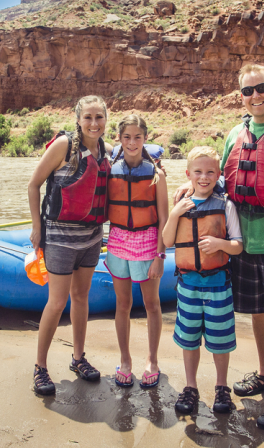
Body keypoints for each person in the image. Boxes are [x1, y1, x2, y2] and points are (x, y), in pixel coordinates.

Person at [174, 64, 264, 430]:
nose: (255, 96)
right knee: (257, 312)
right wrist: (185, 191)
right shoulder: (234, 134)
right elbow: (217, 183)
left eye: (262, 88)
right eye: (247, 91)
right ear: (240, 95)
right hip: (243, 245)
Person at [28, 95, 113, 395]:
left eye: (99, 117)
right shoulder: (63, 146)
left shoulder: (107, 151)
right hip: (60, 239)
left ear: (106, 119)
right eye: (88, 117)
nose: (93, 123)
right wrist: (37, 227)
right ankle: (40, 367)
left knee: (81, 297)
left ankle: (78, 358)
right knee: (57, 301)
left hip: (91, 238)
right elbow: (33, 184)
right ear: (78, 119)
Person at [163, 146, 243, 414]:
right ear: (188, 174)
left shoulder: (225, 205)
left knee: (220, 341)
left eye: (210, 172)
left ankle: (222, 387)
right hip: (188, 286)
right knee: (189, 339)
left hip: (218, 285)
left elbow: (238, 246)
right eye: (198, 172)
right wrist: (174, 214)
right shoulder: (181, 205)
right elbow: (167, 240)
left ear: (219, 174)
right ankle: (190, 387)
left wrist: (221, 243)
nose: (204, 177)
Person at [105, 115, 168, 389]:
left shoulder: (157, 175)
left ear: (145, 139)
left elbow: (164, 219)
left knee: (152, 305)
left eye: (138, 137)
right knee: (123, 304)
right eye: (127, 137)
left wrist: (160, 256)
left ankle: (152, 360)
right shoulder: (110, 171)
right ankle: (125, 360)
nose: (132, 143)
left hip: (147, 242)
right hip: (118, 241)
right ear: (119, 139)